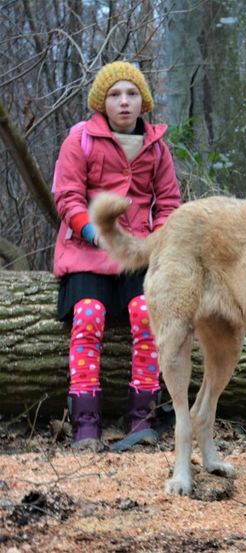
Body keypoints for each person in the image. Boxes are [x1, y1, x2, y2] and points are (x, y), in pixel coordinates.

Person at [52, 61, 181, 451]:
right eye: (114, 95)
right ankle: (86, 423)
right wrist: (89, 229)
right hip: (86, 249)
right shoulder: (81, 139)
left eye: (131, 94)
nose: (124, 102)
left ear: (143, 102)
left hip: (137, 253)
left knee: (147, 314)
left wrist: (160, 242)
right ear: (101, 103)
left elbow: (169, 201)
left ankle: (142, 416)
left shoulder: (157, 147)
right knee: (88, 316)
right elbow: (67, 194)